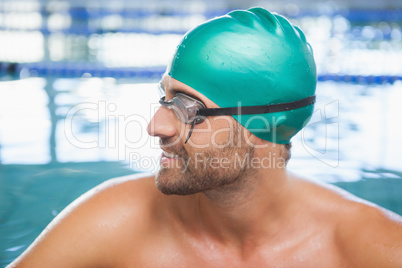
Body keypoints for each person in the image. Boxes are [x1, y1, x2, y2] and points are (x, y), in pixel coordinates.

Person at [8, 7, 402, 268]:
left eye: (189, 108)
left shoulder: (371, 249)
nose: (156, 126)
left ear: (265, 130)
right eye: (165, 97)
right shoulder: (112, 219)